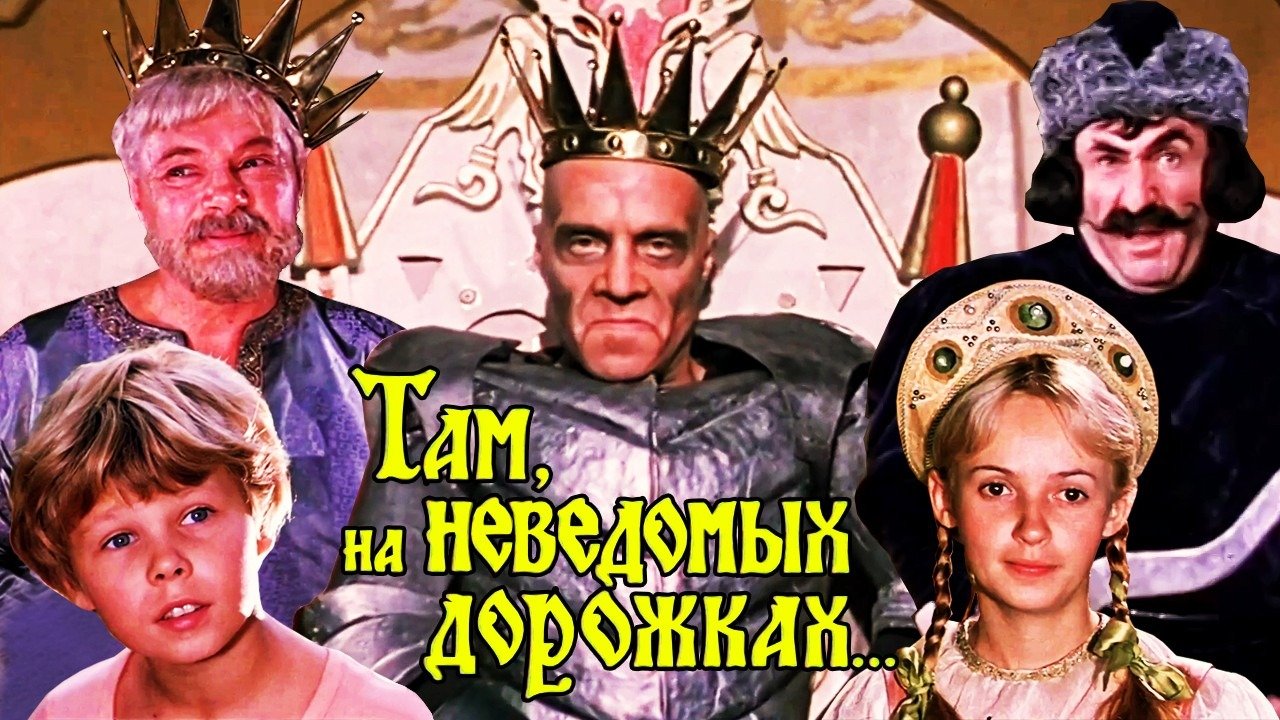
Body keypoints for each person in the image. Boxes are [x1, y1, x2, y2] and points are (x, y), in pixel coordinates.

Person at [297, 16, 916, 720]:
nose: (621, 282)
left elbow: (920, 625)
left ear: (706, 258)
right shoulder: (449, 397)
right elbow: (374, 648)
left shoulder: (817, 393)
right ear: (541, 251)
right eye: (586, 242)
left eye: (658, 245)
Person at [856, 0, 1280, 699]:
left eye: (1170, 154)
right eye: (1109, 158)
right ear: (1071, 174)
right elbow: (902, 503)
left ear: (1216, 166)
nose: (1139, 197)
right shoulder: (954, 312)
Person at [0, 1, 396, 716]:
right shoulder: (28, 366)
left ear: (298, 178)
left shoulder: (385, 363)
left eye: (256, 162)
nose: (226, 196)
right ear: (138, 192)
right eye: (183, 170)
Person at [824, 280, 1274, 720]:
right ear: (944, 499)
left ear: (1117, 507)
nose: (1033, 528)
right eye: (997, 488)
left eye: (1070, 494)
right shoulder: (879, 707)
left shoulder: (1202, 707)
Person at [7, 344, 432, 719]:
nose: (167, 563)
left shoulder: (381, 715)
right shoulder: (65, 713)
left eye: (196, 515)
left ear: (261, 514)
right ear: (71, 580)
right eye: (120, 539)